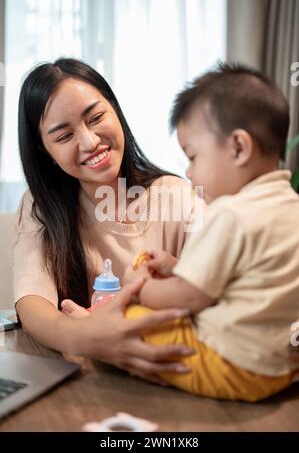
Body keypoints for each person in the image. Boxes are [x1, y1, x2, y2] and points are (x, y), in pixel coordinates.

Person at [65, 63, 299, 401]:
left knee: (126, 319)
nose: (189, 172)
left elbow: (189, 298)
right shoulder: (289, 206)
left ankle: (86, 321)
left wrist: (138, 286)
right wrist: (178, 268)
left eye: (193, 156)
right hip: (283, 365)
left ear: (238, 148)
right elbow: (242, 277)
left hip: (234, 366)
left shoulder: (229, 213)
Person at [14, 58, 197, 384]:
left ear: (115, 110)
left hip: (172, 374)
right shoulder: (40, 206)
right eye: (64, 135)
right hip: (90, 380)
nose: (89, 142)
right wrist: (85, 336)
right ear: (45, 152)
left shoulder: (175, 196)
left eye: (95, 117)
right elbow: (32, 302)